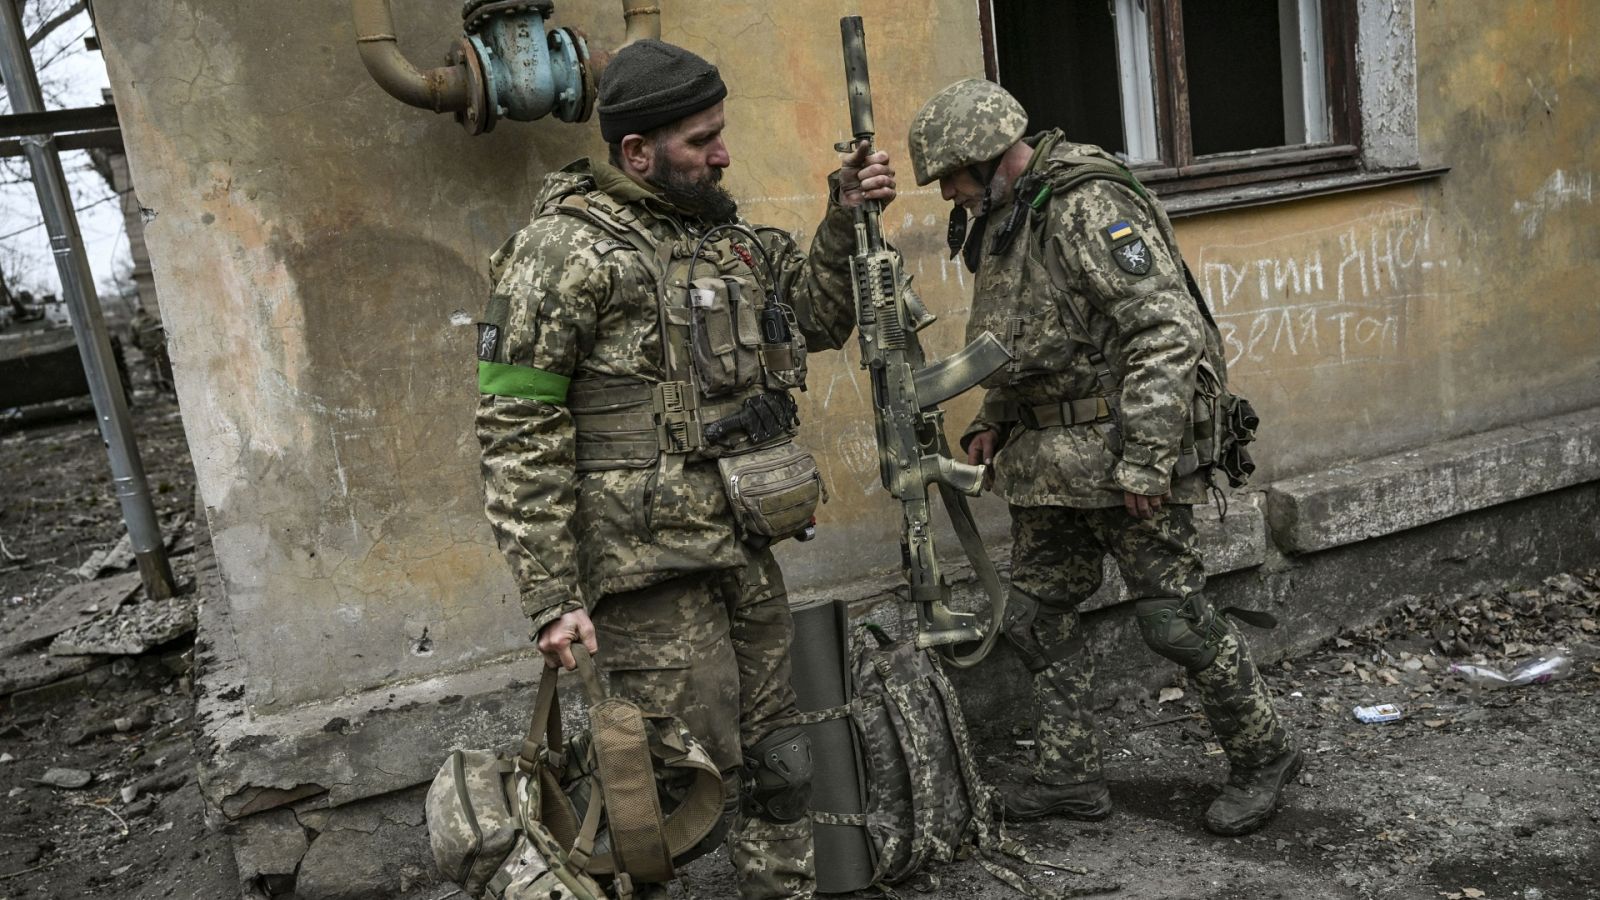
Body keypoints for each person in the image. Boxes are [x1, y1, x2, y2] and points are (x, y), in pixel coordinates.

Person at [475, 39, 897, 900]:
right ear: (639, 152)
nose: (723, 153)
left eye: (721, 133)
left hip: (744, 546)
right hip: (645, 573)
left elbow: (816, 315)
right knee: (669, 782)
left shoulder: (728, 241)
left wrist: (847, 215)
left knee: (780, 758)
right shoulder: (558, 256)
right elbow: (518, 428)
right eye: (702, 140)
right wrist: (552, 595)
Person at [905, 79, 1299, 837]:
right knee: (1037, 618)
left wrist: (1148, 460)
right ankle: (1069, 780)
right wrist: (994, 417)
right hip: (1050, 463)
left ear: (989, 157)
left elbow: (1164, 331)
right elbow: (1017, 342)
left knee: (1175, 621)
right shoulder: (1004, 218)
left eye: (953, 175)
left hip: (1121, 458)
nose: (948, 193)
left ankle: (1265, 754)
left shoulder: (1085, 205)